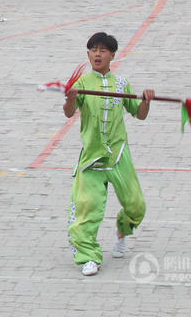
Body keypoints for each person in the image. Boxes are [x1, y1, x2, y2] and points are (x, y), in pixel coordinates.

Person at [64, 32, 152, 276]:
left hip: (118, 154)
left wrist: (146, 101)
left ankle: (122, 232)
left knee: (136, 205)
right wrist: (70, 99)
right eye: (93, 50)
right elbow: (68, 112)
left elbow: (140, 114)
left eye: (103, 50)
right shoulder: (81, 84)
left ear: (113, 55)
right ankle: (88, 256)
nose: (97, 54)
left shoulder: (122, 84)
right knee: (88, 208)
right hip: (92, 157)